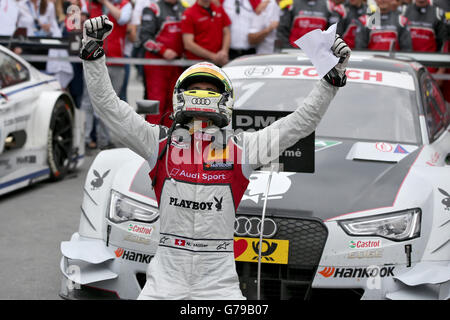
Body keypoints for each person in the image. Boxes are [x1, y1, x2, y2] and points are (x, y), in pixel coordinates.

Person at [80, 14, 351, 299]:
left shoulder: (243, 148)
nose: (203, 94)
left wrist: (330, 82)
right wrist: (93, 53)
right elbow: (108, 106)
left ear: (226, 98)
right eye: (196, 88)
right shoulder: (157, 142)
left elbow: (299, 123)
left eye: (211, 90)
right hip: (163, 284)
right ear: (180, 95)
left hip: (219, 286)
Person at [139, 0, 185, 127]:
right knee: (155, 103)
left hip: (178, 66)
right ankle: (151, 137)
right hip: (156, 65)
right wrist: (163, 50)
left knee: (174, 104)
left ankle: (169, 140)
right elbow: (144, 37)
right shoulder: (153, 8)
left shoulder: (184, 8)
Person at [181, 0, 231, 66]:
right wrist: (213, 56)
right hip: (198, 65)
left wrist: (224, 51)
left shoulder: (218, 8)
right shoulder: (189, 13)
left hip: (219, 62)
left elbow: (227, 32)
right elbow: (188, 44)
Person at [276, 0, 342, 49]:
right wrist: (288, 49)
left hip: (319, 54)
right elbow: (282, 30)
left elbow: (334, 32)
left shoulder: (329, 5)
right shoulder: (291, 4)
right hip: (294, 52)